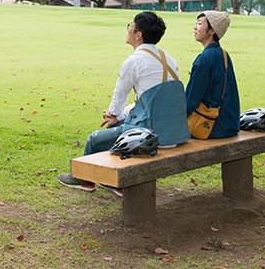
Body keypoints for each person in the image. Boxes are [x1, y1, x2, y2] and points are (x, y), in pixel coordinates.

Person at [57, 12, 190, 194]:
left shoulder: (134, 61)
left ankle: (85, 179)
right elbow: (149, 99)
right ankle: (110, 178)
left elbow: (120, 95)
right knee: (120, 122)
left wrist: (112, 114)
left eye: (130, 25)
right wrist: (118, 116)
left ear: (138, 34)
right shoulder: (167, 57)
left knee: (95, 139)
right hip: (175, 131)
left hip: (152, 134)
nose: (128, 28)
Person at [186, 11, 240, 138]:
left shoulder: (204, 58)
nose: (195, 27)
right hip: (229, 124)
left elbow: (191, 98)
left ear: (212, 31)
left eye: (199, 24)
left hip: (211, 126)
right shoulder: (224, 54)